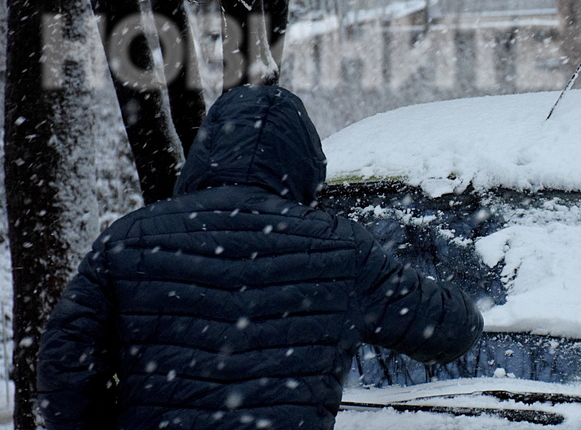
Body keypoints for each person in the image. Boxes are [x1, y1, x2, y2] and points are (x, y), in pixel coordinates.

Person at [36, 85, 484, 430]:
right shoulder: (341, 249)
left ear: (207, 151)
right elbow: (450, 332)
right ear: (306, 162)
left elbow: (64, 368)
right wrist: (466, 287)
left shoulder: (129, 239)